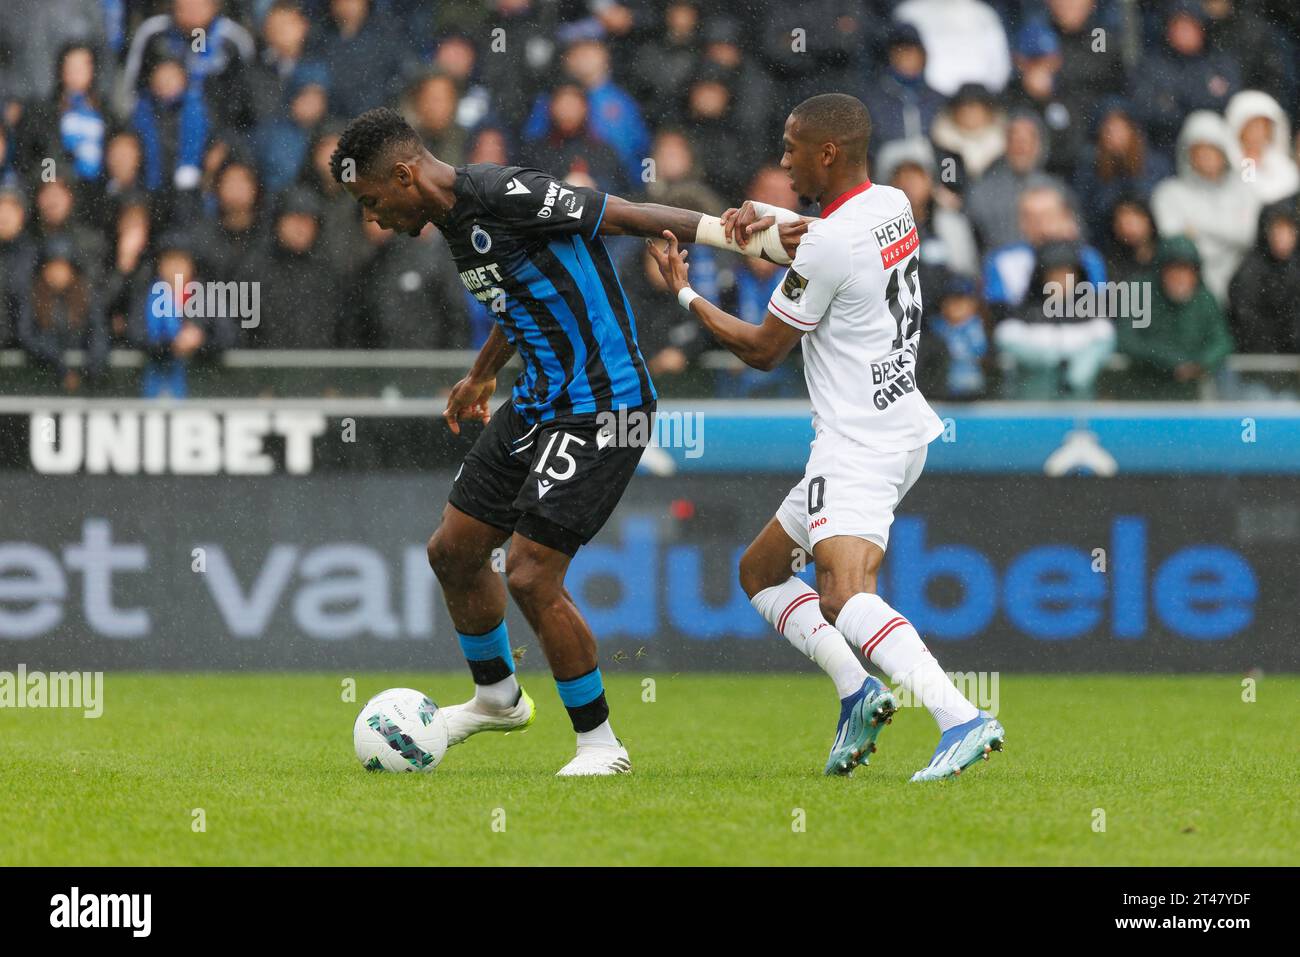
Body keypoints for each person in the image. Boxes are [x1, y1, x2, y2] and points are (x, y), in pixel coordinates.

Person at [328, 106, 801, 776]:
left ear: (405, 174)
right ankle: (497, 698)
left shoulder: (502, 193)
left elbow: (624, 213)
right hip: (540, 400)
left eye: (373, 201)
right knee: (454, 551)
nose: (373, 218)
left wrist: (743, 238)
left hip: (606, 403)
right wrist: (479, 375)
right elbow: (513, 297)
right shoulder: (454, 224)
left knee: (528, 572)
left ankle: (601, 744)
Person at [647, 93, 1005, 782]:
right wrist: (771, 218)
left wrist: (685, 294)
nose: (783, 161)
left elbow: (761, 349)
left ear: (828, 152)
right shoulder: (894, 203)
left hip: (856, 444)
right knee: (760, 572)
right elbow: (825, 233)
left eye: (791, 147)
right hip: (900, 425)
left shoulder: (833, 244)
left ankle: (961, 716)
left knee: (842, 596)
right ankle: (858, 691)